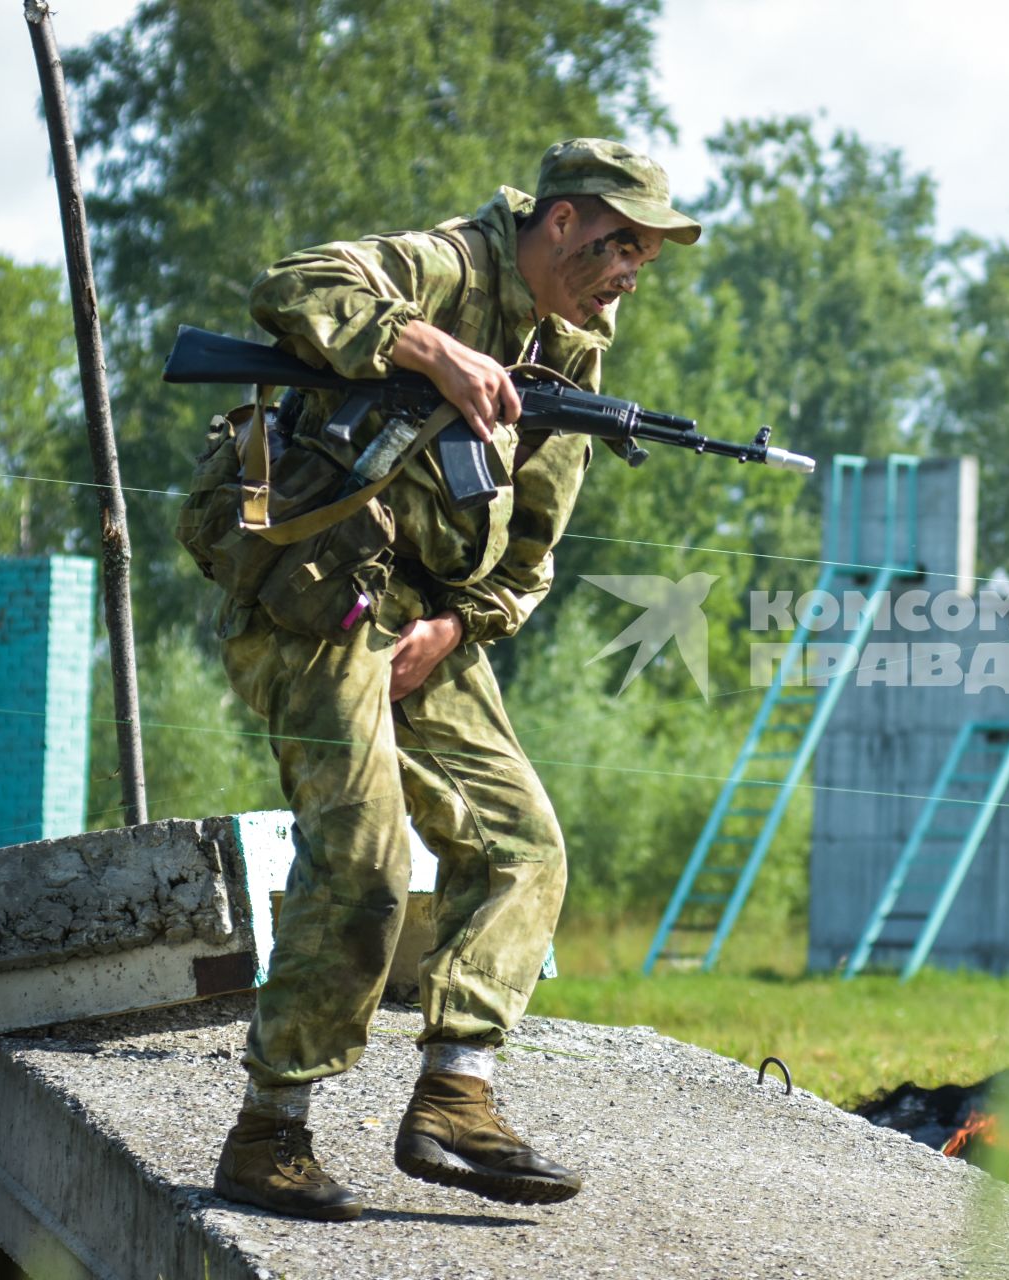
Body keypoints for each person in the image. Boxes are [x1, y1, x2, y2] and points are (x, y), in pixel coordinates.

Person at [208, 139, 700, 1221]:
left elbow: (533, 542)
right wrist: (430, 349)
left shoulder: (573, 352)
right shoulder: (445, 263)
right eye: (619, 240)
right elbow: (291, 286)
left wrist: (457, 622)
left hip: (423, 620)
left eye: (648, 255)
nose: (630, 269)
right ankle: (268, 1133)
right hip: (317, 595)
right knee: (368, 858)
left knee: (526, 849)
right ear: (559, 221)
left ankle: (456, 1099)